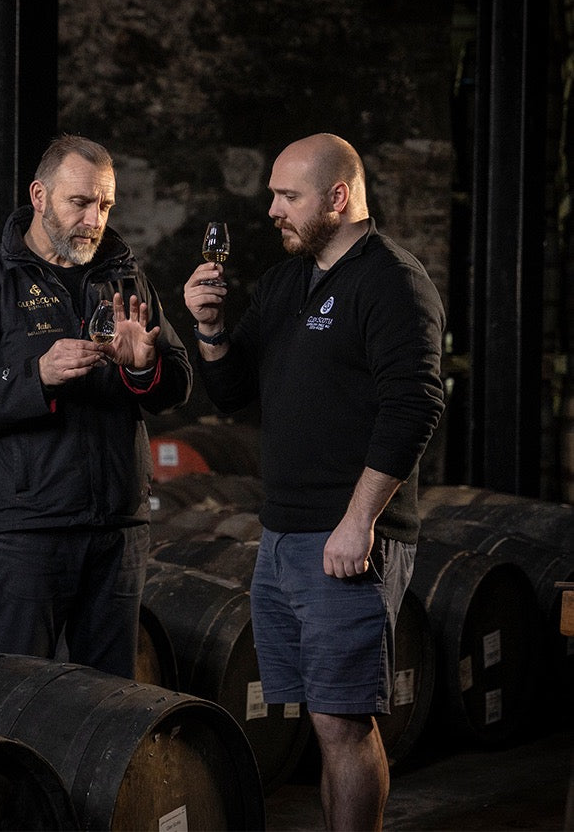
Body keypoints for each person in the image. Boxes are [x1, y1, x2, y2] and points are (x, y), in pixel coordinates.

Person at [183, 133, 445, 831]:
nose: (272, 209)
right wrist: (209, 329)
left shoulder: (392, 280)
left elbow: (416, 403)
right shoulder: (285, 284)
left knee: (344, 723)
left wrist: (359, 522)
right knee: (316, 717)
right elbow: (238, 392)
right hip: (283, 535)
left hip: (345, 539)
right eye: (272, 193)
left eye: (287, 196)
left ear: (338, 197)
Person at [0, 134, 192, 679]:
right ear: (40, 196)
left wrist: (143, 367)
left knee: (109, 701)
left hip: (118, 528)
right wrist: (35, 376)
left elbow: (179, 384)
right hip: (30, 528)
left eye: (105, 205)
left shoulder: (126, 276)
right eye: (80, 202)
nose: (94, 219)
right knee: (17, 690)